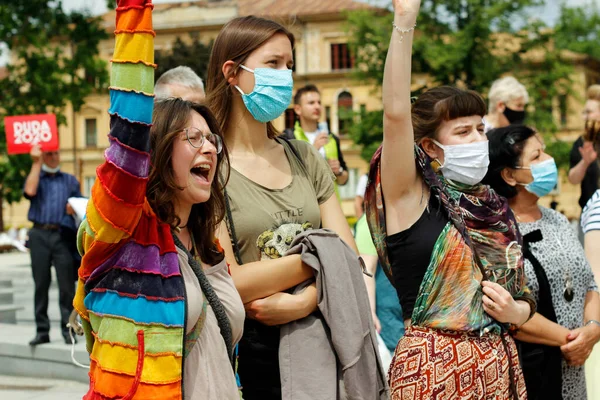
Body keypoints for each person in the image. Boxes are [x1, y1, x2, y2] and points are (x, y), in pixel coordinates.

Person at [363, 1, 535, 398]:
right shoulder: (409, 197)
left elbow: (524, 295)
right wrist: (404, 20)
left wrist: (517, 312)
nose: (479, 139)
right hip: (432, 370)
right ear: (430, 147)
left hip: (499, 366)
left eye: (480, 128)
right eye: (462, 132)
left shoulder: (493, 209)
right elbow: (394, 115)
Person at [73, 3, 244, 398]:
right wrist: (135, 10)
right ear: (159, 151)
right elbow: (129, 137)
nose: (210, 150)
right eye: (193, 139)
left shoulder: (205, 243)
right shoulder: (125, 230)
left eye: (212, 140)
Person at [205, 15, 358, 399]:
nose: (285, 76)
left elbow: (352, 259)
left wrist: (306, 298)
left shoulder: (305, 157)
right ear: (232, 73)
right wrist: (327, 259)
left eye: (289, 65)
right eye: (273, 64)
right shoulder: (209, 168)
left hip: (326, 341)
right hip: (255, 360)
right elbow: (229, 281)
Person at [483, 124, 600, 400]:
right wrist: (572, 340)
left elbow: (588, 283)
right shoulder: (497, 232)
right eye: (536, 157)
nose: (548, 161)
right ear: (510, 175)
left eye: (544, 152)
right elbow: (506, 310)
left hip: (573, 371)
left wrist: (593, 327)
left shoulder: (557, 219)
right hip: (532, 374)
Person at [23, 146, 81, 346]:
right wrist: (36, 163)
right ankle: (42, 331)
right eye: (49, 154)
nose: (54, 157)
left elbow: (80, 204)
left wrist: (72, 207)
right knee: (41, 284)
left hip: (61, 235)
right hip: (38, 234)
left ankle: (69, 329)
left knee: (66, 285)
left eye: (56, 153)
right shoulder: (37, 178)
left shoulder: (70, 180)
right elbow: (29, 191)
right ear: (43, 156)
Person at [282, 84, 349, 193]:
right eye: (311, 103)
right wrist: (313, 149)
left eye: (319, 102)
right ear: (298, 109)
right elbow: (287, 174)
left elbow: (344, 180)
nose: (317, 106)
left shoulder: (331, 138)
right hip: (305, 205)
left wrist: (339, 171)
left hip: (332, 204)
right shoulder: (288, 137)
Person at [355, 213, 404, 353]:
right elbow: (366, 269)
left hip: (407, 308)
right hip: (387, 311)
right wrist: (369, 311)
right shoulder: (371, 219)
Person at [568, 85, 600, 211]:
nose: (584, 117)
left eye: (589, 112)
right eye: (584, 112)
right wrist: (585, 162)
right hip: (590, 212)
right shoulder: (582, 142)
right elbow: (573, 179)